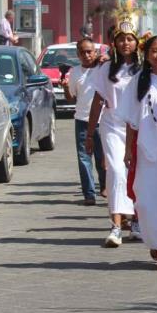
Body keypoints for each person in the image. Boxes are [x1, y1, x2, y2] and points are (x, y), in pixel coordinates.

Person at [120, 36, 157, 270]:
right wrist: (127, 149)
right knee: (145, 201)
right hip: (145, 151)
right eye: (154, 51)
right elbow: (131, 122)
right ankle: (154, 241)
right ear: (147, 55)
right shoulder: (138, 82)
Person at [86, 18, 141, 247]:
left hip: (137, 127)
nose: (125, 43)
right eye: (121, 40)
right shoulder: (105, 68)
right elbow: (98, 100)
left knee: (136, 175)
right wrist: (89, 134)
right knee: (117, 172)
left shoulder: (144, 69)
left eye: (130, 39)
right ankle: (116, 226)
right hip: (111, 125)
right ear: (114, 43)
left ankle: (136, 221)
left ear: (137, 42)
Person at [60, 38, 106, 205]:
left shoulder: (103, 68)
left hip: (102, 120)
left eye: (90, 51)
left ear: (95, 52)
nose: (87, 55)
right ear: (78, 55)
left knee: (102, 157)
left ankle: (104, 186)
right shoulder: (75, 72)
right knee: (84, 158)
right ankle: (89, 194)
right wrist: (65, 87)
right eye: (83, 52)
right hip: (82, 120)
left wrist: (106, 58)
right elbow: (71, 98)